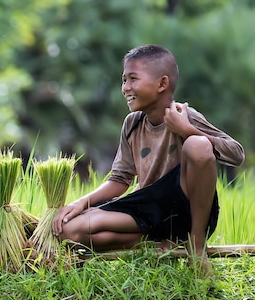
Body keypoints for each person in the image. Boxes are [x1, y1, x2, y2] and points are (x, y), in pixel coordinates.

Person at [52, 44, 245, 274]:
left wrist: (187, 130)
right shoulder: (132, 123)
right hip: (147, 209)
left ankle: (196, 244)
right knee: (69, 230)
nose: (125, 88)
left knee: (198, 144)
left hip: (185, 209)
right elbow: (120, 180)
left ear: (162, 84)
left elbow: (236, 153)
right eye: (124, 80)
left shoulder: (184, 115)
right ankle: (154, 242)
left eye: (133, 79)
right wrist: (81, 203)